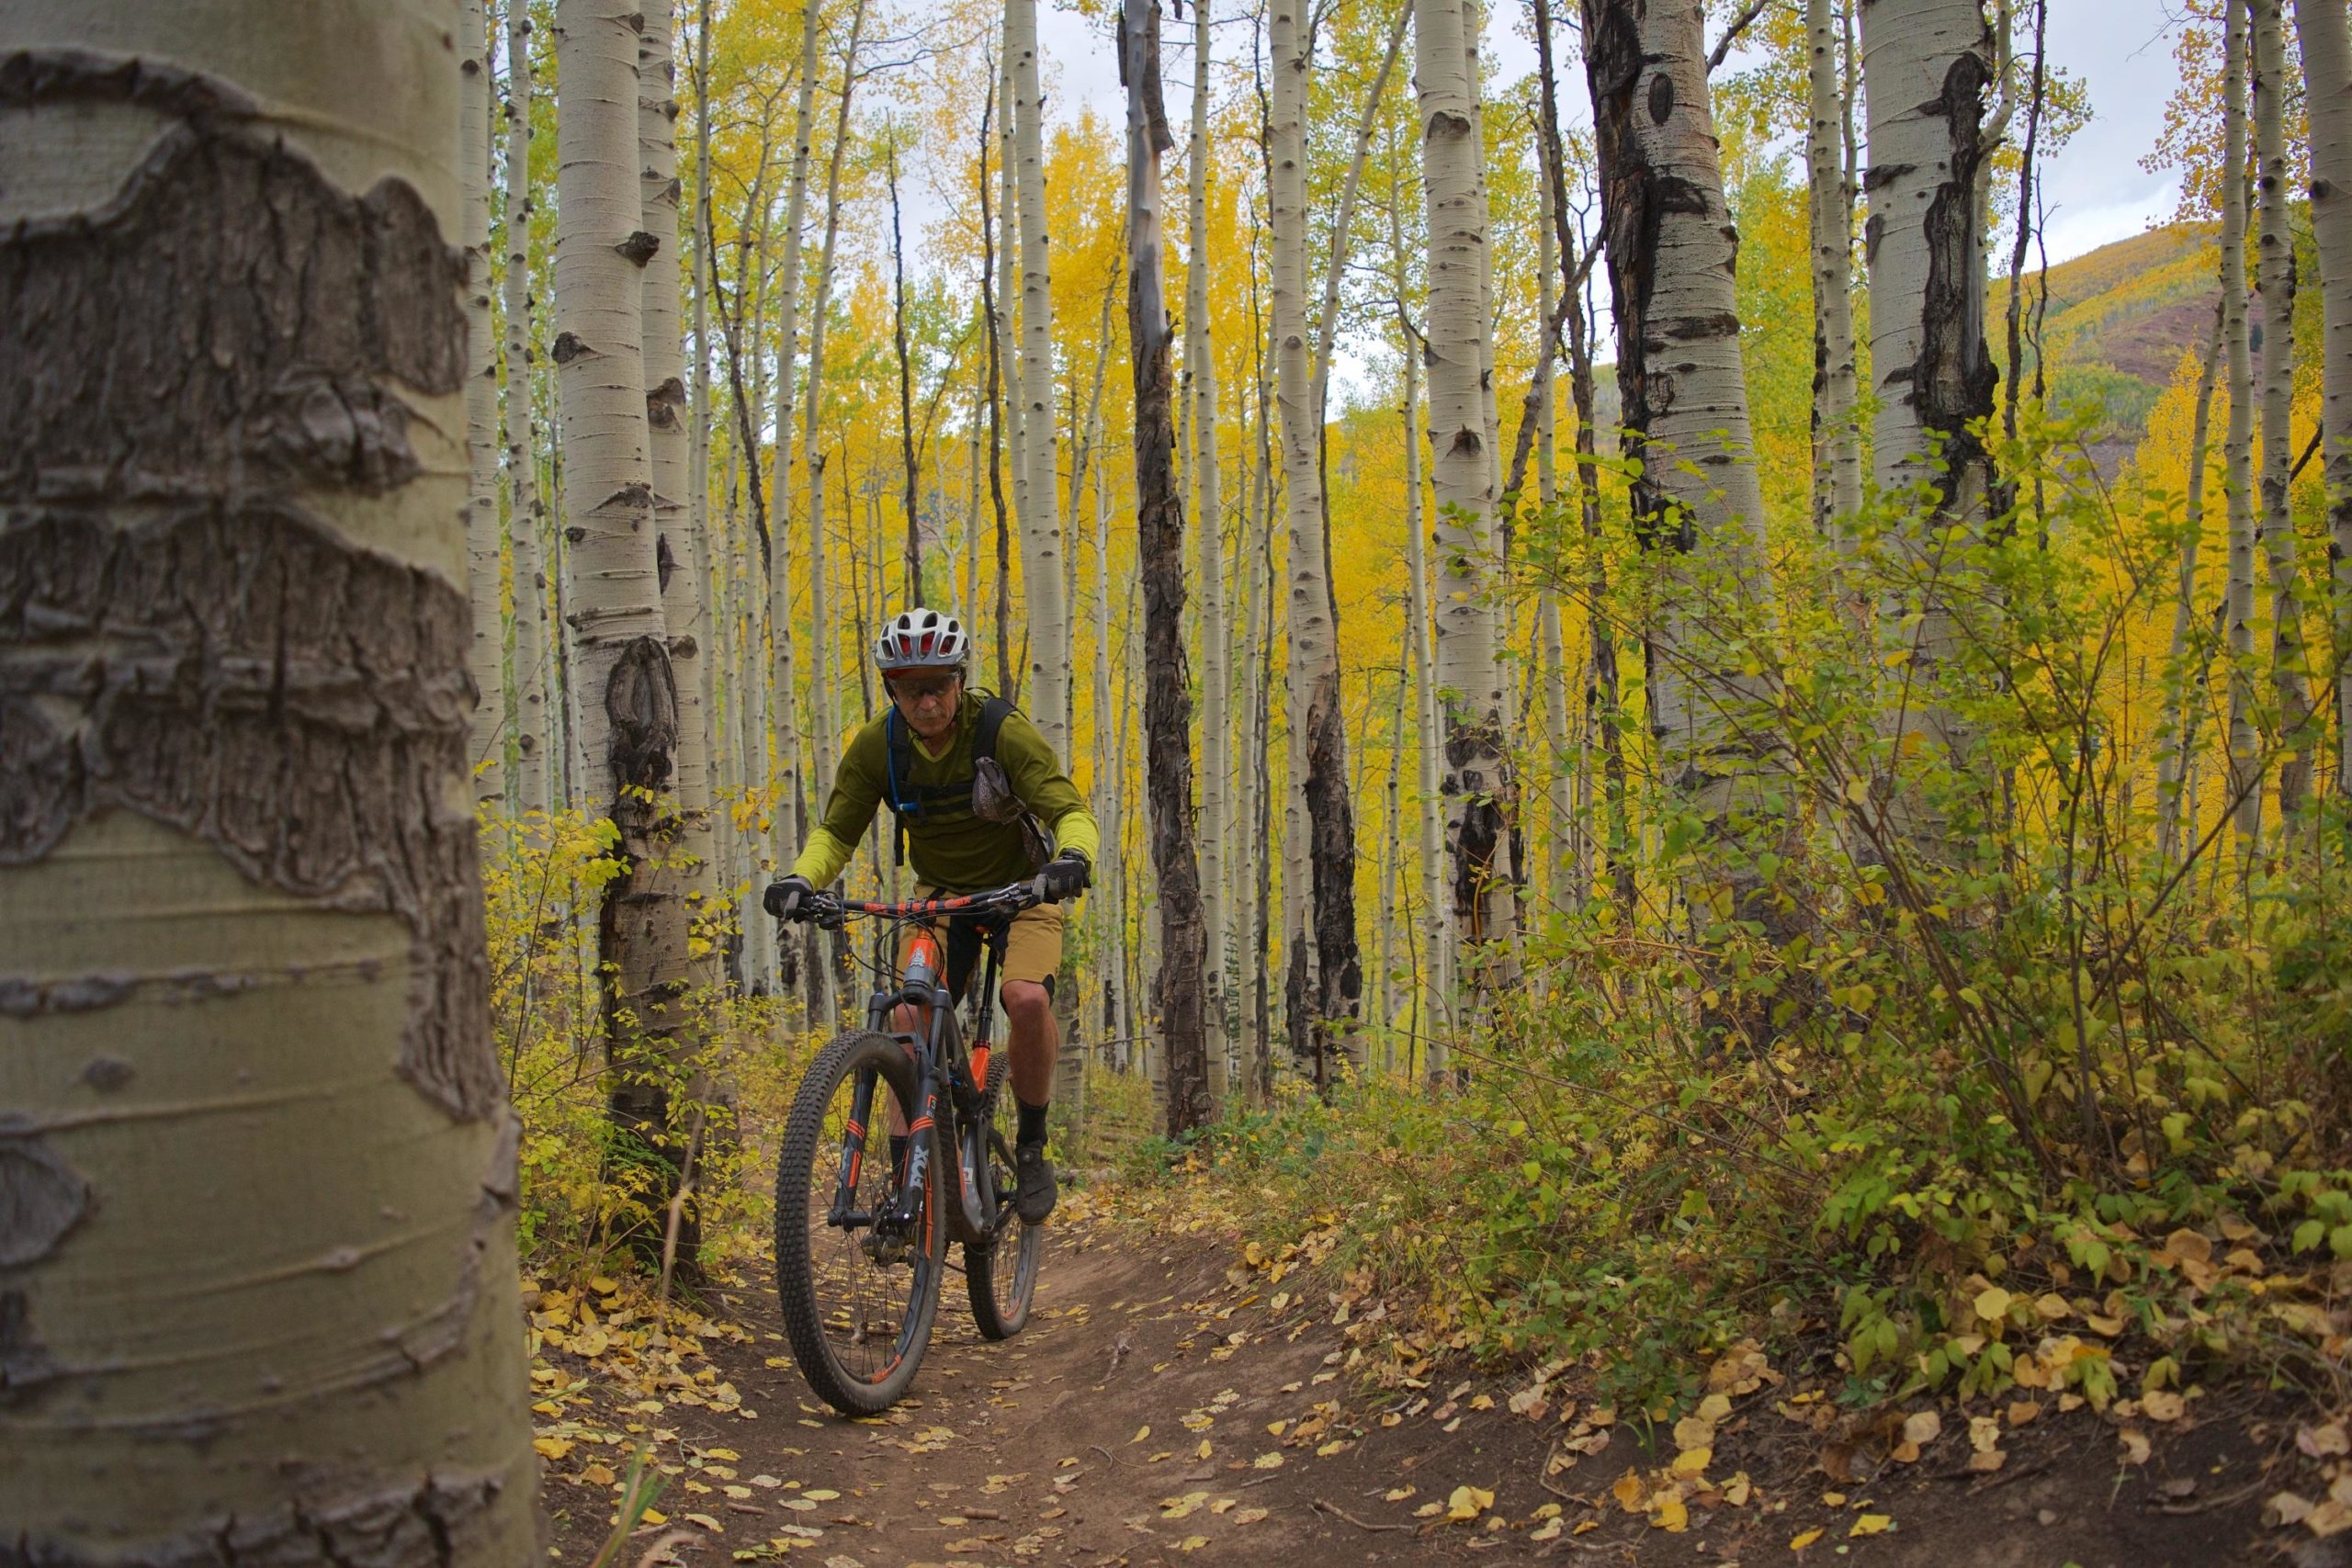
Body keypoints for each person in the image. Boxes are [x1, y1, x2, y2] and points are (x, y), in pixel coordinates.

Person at [764, 606, 1096, 1224]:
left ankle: (1031, 1144)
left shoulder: (999, 730)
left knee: (1025, 997)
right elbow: (837, 833)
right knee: (910, 1014)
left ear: (960, 679)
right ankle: (906, 1181)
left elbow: (1069, 808)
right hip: (941, 897)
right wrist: (799, 879)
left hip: (1022, 892)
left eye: (939, 684)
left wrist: (1072, 857)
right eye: (911, 687)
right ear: (890, 687)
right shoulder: (879, 746)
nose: (927, 700)